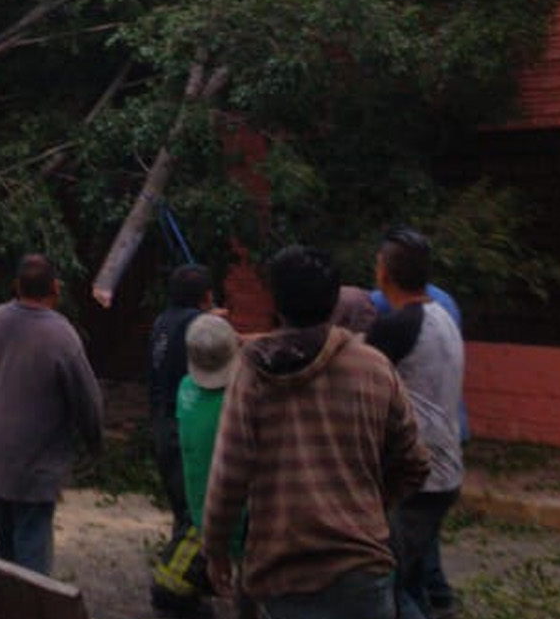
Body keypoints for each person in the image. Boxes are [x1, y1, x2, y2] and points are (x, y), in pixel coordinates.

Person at [202, 245, 429, 619]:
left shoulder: (254, 372)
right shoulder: (374, 367)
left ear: (277, 300)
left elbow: (230, 474)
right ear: (334, 298)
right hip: (363, 571)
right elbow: (415, 462)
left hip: (284, 571)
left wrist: (215, 549)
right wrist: (371, 505)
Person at [0, 253, 105, 576]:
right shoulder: (62, 336)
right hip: (36, 464)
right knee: (31, 555)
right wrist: (94, 442)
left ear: (17, 286)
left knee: (4, 544)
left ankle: (1, 597)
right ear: (56, 288)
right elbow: (87, 400)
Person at [366, 229, 465, 619]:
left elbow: (352, 370)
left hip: (416, 479)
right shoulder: (442, 315)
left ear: (385, 273)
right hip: (445, 471)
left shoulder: (398, 327)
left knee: (385, 586)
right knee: (411, 578)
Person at [171, 314, 252, 619]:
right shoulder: (237, 401)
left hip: (202, 515)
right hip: (239, 522)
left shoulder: (185, 390)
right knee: (249, 595)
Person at [150, 266, 216, 542]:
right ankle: (180, 567)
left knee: (182, 508)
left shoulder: (162, 321)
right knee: (195, 514)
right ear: (206, 296)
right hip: (185, 426)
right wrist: (213, 324)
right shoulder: (197, 323)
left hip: (162, 423)